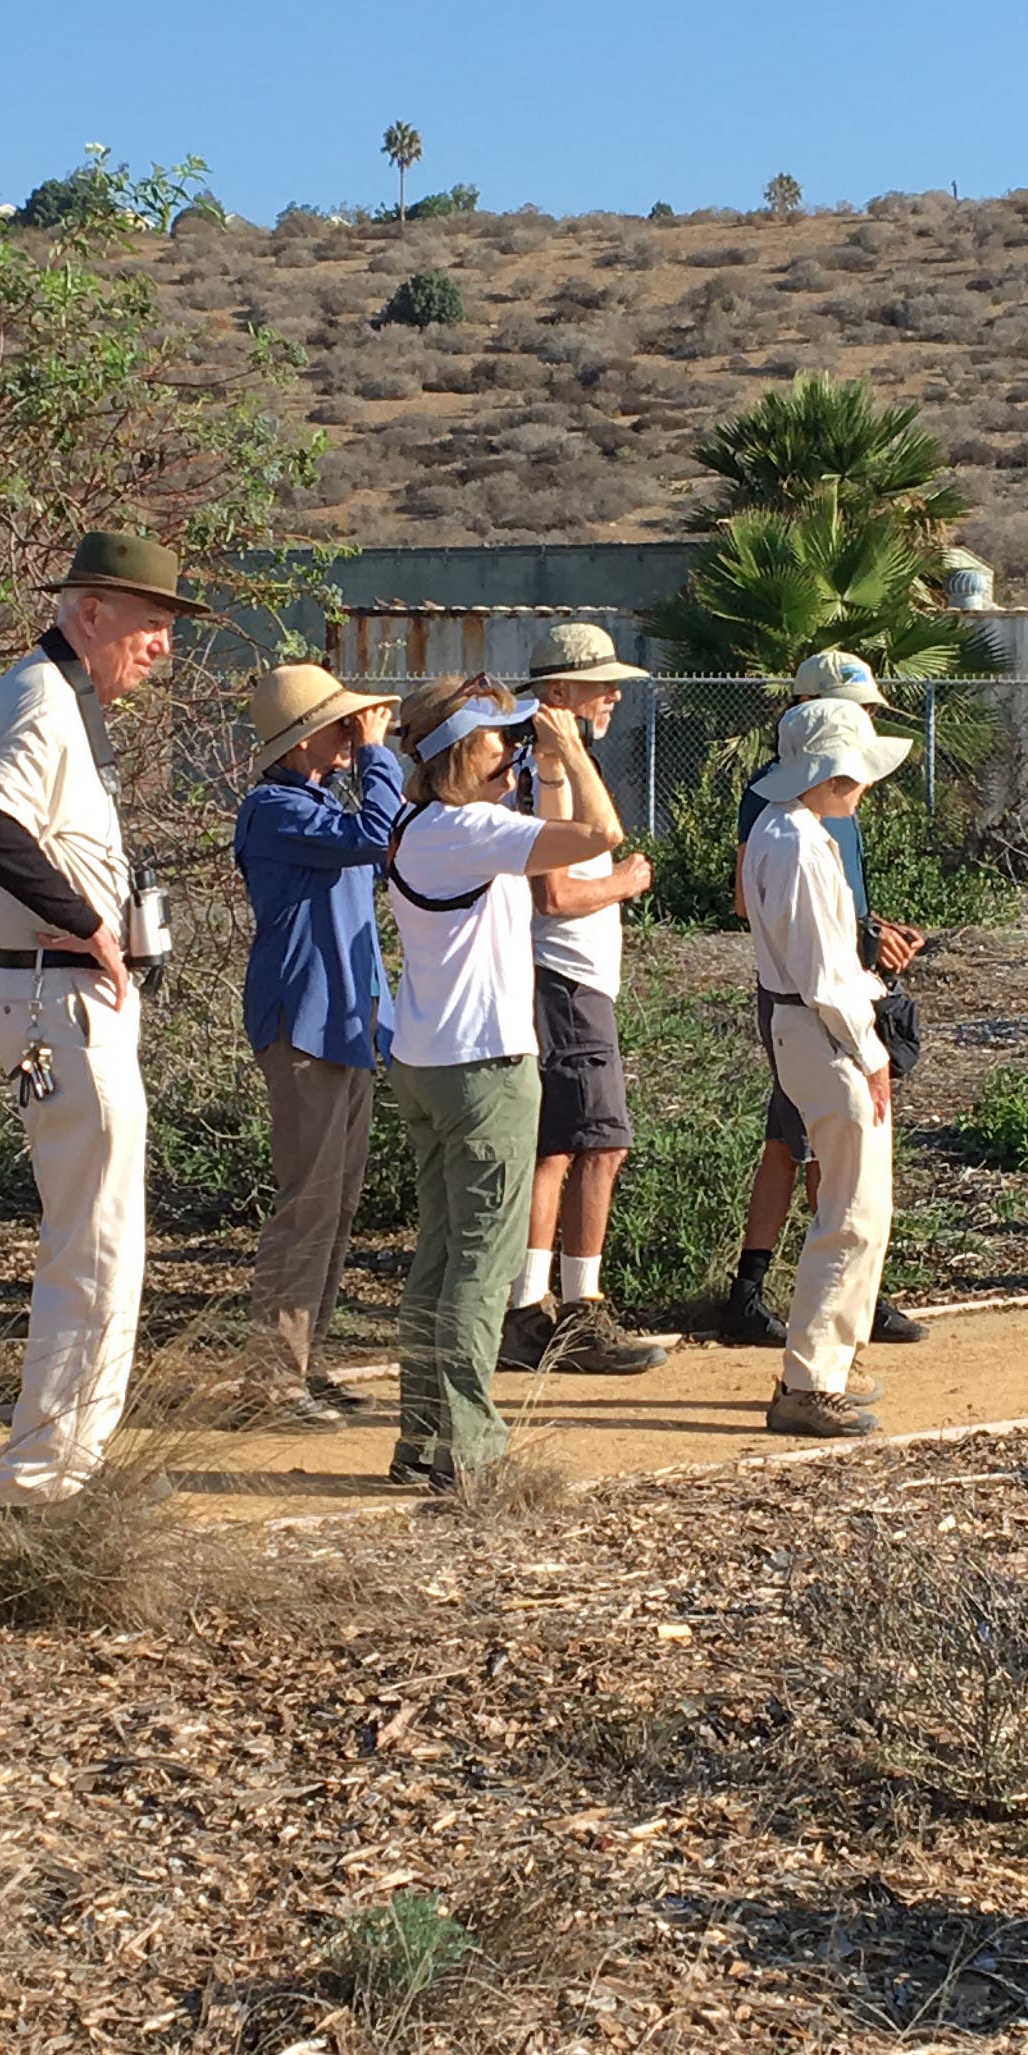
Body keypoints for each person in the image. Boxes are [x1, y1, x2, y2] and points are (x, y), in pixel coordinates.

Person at [0, 530, 204, 1510]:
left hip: (60, 995)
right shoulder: (38, 696)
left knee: (97, 1239)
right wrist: (91, 927)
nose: (164, 644)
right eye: (151, 622)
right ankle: (45, 1483)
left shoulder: (61, 700)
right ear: (89, 611)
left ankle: (65, 1468)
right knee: (96, 1247)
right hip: (59, 994)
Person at [381, 675, 632, 1495]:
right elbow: (600, 835)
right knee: (480, 1267)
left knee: (441, 1255)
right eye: (499, 739)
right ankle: (471, 1448)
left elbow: (550, 841)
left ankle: (421, 1440)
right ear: (459, 752)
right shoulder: (468, 829)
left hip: (425, 1059)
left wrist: (542, 756)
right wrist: (566, 746)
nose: (513, 750)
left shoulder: (419, 825)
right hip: (484, 1067)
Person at [721, 650, 930, 1351]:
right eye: (859, 714)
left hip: (830, 988)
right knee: (814, 1150)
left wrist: (873, 936)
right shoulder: (786, 809)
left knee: (814, 1146)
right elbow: (766, 908)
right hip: (815, 1004)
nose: (869, 727)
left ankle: (829, 1293)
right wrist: (858, 1011)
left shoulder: (819, 807)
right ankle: (786, 1299)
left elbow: (830, 911)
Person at [228, 659, 403, 1426]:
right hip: (302, 1023)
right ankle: (272, 1381)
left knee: (335, 1203)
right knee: (306, 1204)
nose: (352, 735)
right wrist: (377, 756)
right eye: (338, 726)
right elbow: (378, 832)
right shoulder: (273, 809)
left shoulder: (315, 806)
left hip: (346, 1024)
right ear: (299, 742)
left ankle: (307, 1364)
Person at [497, 622, 671, 1379]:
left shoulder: (554, 769)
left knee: (564, 1144)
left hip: (570, 981)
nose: (612, 696)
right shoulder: (550, 773)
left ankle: (532, 1309)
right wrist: (625, 883)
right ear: (558, 694)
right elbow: (556, 894)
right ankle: (573, 1310)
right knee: (598, 1140)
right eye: (600, 683)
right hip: (564, 980)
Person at [740, 698, 907, 1438]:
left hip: (804, 1028)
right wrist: (870, 1054)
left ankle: (830, 1363)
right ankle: (808, 1382)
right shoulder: (802, 844)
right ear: (833, 769)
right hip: (824, 1032)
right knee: (851, 1213)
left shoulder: (781, 830)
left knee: (854, 1206)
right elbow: (825, 974)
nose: (862, 784)